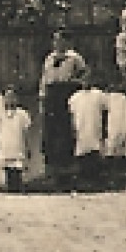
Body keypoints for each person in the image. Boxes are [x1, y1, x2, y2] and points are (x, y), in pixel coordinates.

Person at [38, 29, 88, 180]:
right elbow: (44, 79)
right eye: (55, 40)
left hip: (66, 94)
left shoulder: (75, 58)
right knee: (50, 131)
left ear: (67, 42)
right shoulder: (49, 58)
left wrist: (74, 85)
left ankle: (67, 168)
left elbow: (84, 76)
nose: (56, 43)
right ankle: (52, 168)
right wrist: (42, 97)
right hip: (51, 96)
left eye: (60, 40)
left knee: (65, 130)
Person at [0, 87, 33, 193]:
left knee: (18, 172)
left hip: (18, 146)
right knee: (8, 172)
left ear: (16, 99)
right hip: (5, 147)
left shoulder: (22, 114)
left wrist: (28, 147)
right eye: (7, 97)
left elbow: (26, 132)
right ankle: (10, 193)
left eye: (12, 97)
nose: (10, 100)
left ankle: (18, 193)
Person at [68, 83, 110, 184]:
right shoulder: (74, 98)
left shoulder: (99, 95)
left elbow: (106, 112)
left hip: (95, 127)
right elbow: (72, 117)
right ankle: (85, 178)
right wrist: (73, 130)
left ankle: (95, 178)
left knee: (95, 150)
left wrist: (105, 128)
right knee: (83, 151)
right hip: (81, 129)